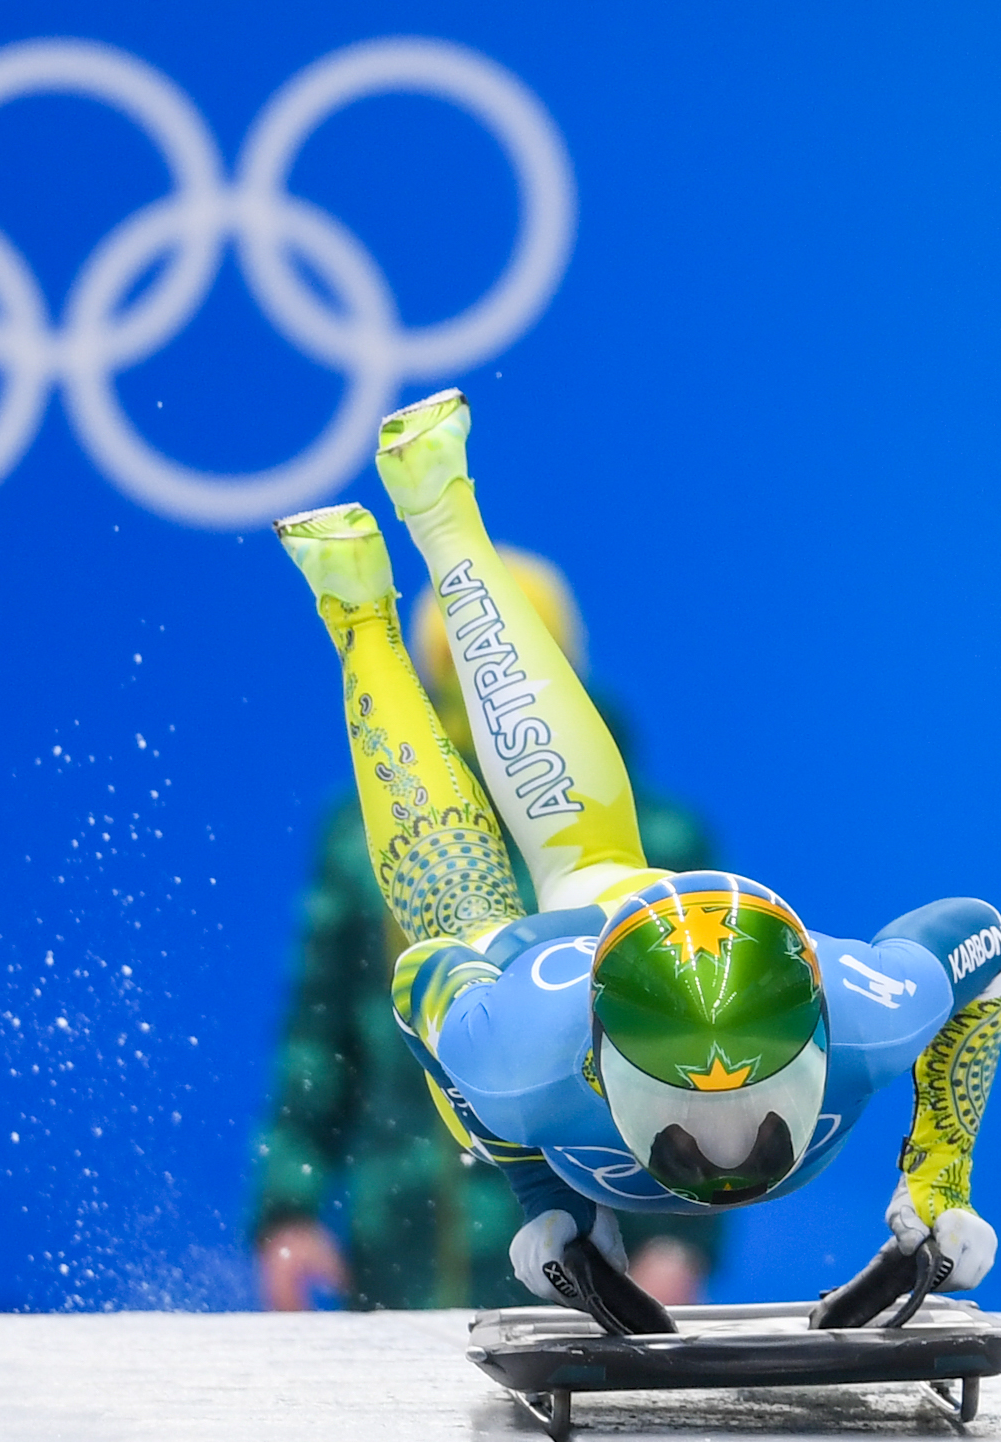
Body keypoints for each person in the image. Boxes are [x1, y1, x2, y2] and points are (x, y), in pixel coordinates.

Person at [268, 388, 1001, 1318]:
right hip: (538, 960)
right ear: (598, 1070)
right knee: (466, 913)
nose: (727, 1156)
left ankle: (427, 521)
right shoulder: (520, 1055)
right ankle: (363, 611)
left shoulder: (867, 1006)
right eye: (691, 1129)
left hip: (619, 906)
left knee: (577, 854)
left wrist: (941, 1172)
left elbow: (984, 942)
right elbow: (425, 977)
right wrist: (546, 1198)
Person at [250, 546, 725, 1311]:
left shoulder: (656, 839)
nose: (492, 695)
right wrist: (289, 1208)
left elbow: (714, 1047)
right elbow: (319, 1036)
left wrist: (685, 1238)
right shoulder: (366, 842)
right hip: (404, 1247)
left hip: (606, 1258)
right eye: (465, 673)